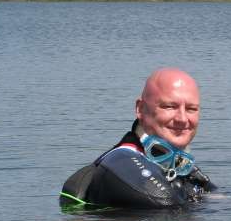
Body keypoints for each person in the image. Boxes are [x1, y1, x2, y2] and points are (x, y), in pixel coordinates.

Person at [60, 68, 216, 209]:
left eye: (191, 109)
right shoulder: (122, 161)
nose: (182, 118)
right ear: (141, 109)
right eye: (169, 106)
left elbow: (216, 199)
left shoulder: (177, 167)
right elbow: (168, 207)